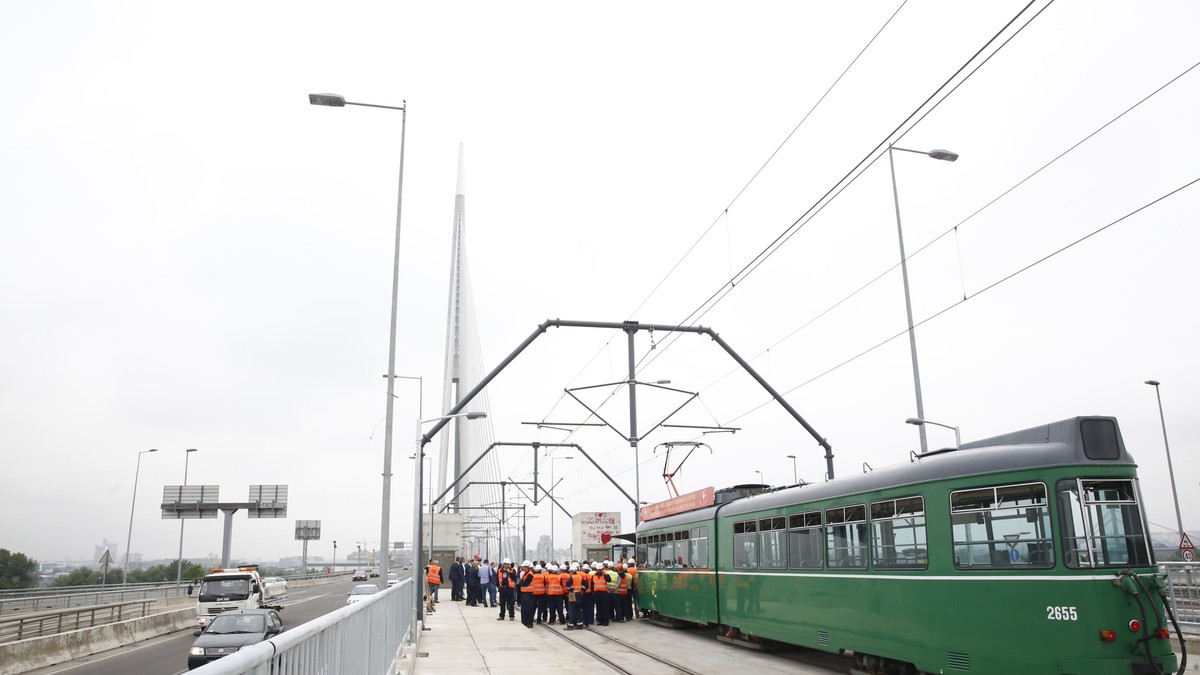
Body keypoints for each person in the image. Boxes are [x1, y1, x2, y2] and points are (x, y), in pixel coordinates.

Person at [518, 560, 537, 628]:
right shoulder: (525, 574)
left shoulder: (530, 574)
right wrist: (521, 583)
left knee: (528, 608)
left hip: (529, 593)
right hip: (524, 593)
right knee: (524, 608)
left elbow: (525, 583)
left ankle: (529, 622)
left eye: (524, 567)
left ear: (527, 567)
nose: (522, 568)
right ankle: (524, 621)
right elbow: (521, 582)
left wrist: (521, 583)